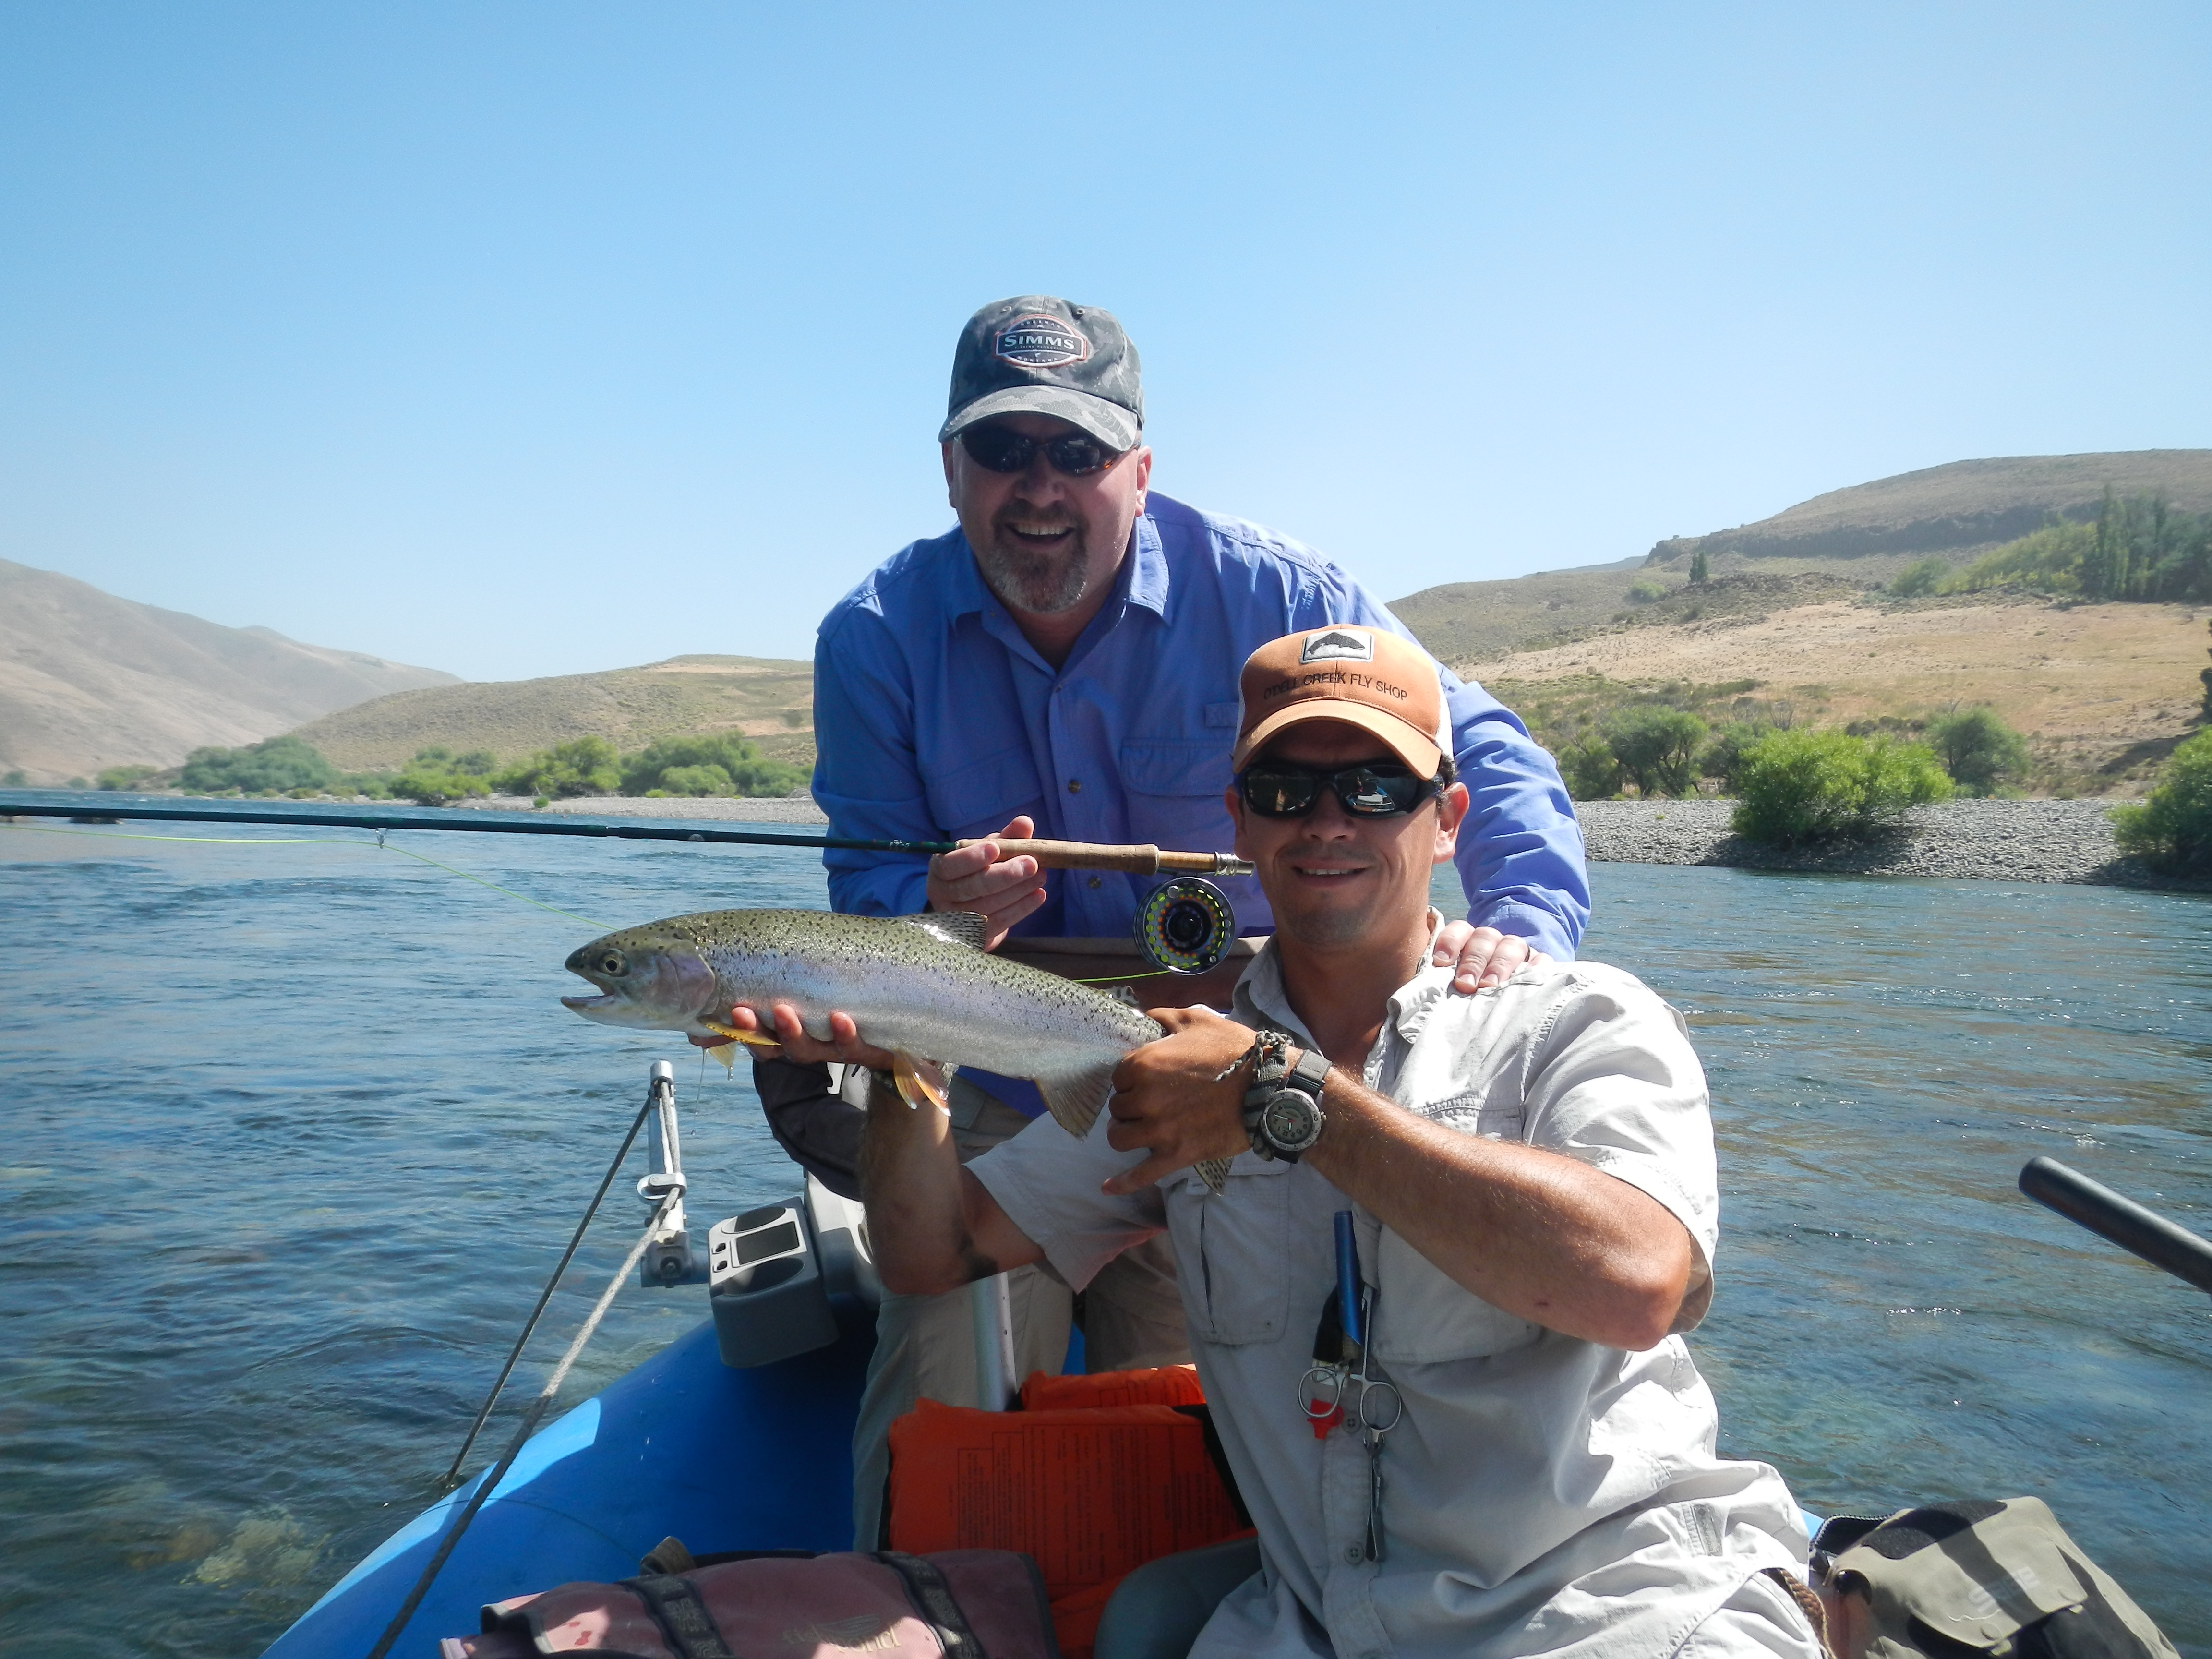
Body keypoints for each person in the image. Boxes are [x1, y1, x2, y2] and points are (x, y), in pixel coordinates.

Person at [725, 296, 1591, 1548]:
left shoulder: (1280, 594)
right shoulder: (872, 641)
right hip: (996, 1076)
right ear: (950, 468)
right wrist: (930, 912)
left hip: (1234, 1074)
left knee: (1210, 1434)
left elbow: (1480, 753)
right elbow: (866, 883)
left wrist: (1523, 933)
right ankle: (930, 1599)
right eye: (1003, 448)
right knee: (940, 1391)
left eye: (1076, 451)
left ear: (1139, 468)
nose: (1039, 487)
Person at [839, 630, 1823, 1659]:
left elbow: (1637, 1284)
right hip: (1310, 1629)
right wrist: (915, 1031)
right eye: (1285, 790)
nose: (1326, 821)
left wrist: (1286, 1098)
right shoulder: (1185, 1068)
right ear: (1239, 821)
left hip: (1621, 1608)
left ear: (1448, 821)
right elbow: (931, 1252)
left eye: (1375, 788)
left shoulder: (1582, 1022)